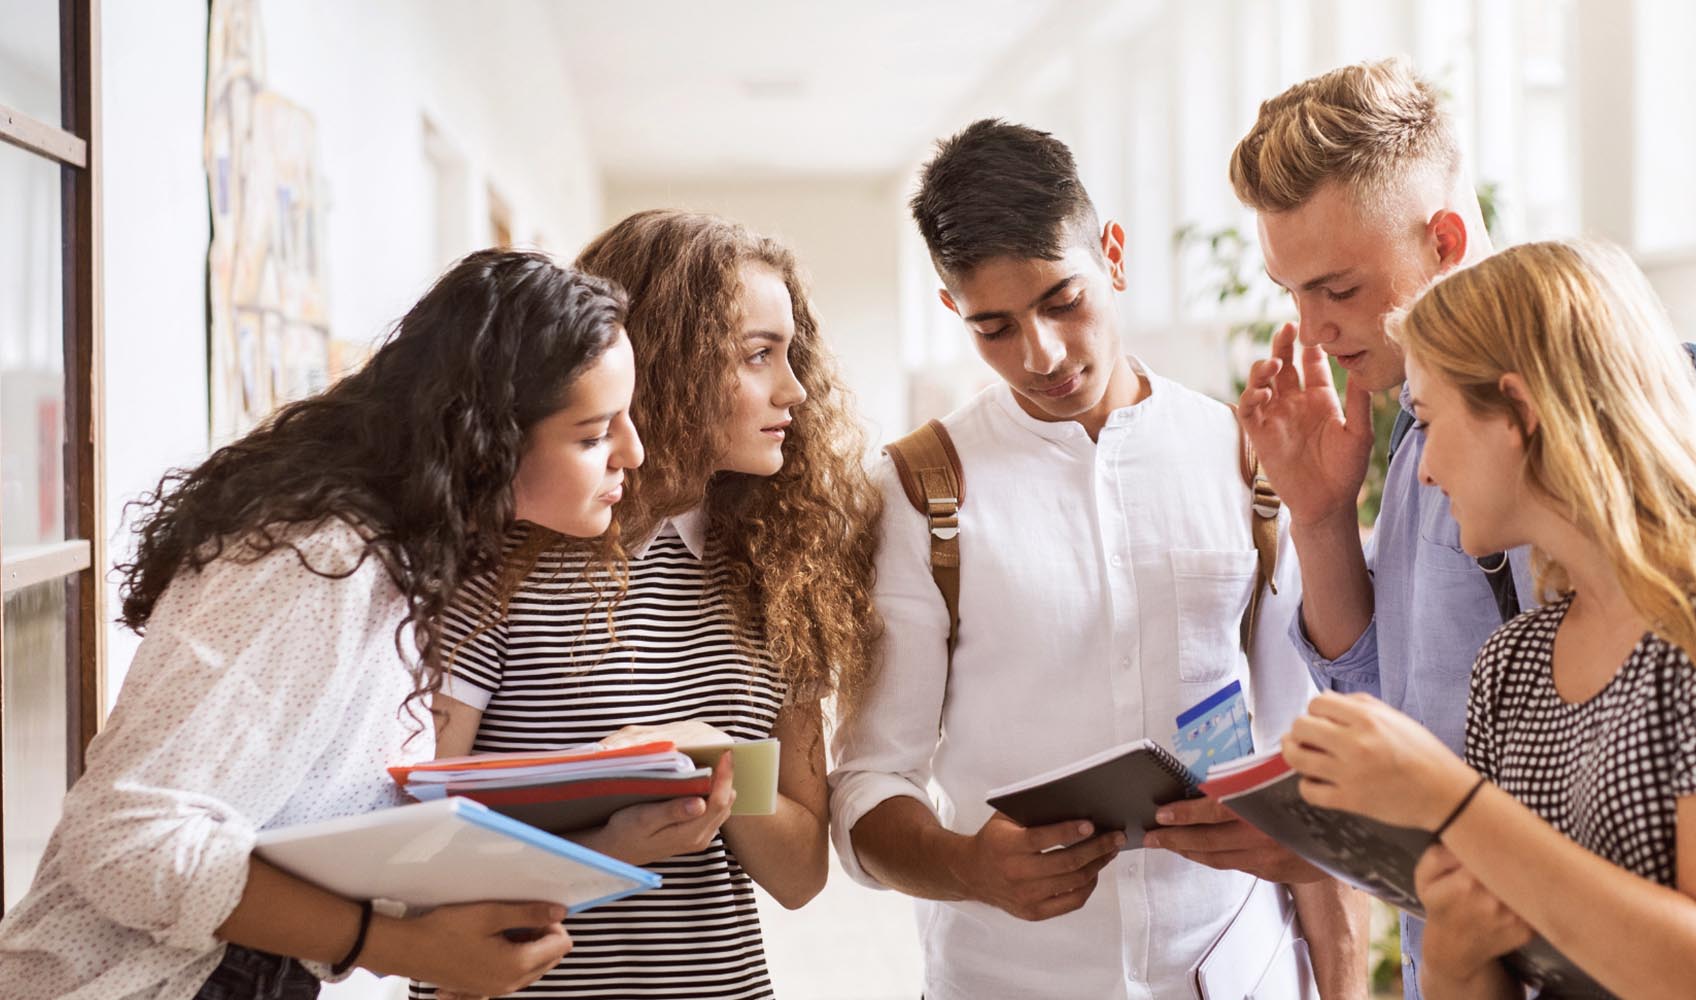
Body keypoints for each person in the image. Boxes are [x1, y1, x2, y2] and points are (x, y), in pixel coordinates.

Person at [1269, 239, 1696, 998]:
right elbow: (1476, 971)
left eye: (1431, 419)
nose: (1425, 468)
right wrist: (1450, 950)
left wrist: (1447, 802)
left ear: (1519, 411)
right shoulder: (1512, 665)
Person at [0, 249, 644, 999]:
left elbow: (332, 815)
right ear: (487, 440)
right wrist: (402, 948)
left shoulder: (404, 559)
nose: (633, 451)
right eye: (594, 433)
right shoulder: (322, 560)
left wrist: (602, 802)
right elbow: (123, 839)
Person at [829, 119, 1367, 999]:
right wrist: (967, 867)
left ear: (1112, 256)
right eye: (993, 327)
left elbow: (1305, 741)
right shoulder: (922, 488)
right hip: (1009, 979)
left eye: (1061, 301)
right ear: (951, 313)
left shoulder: (1243, 453)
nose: (1039, 354)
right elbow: (869, 783)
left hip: (1238, 967)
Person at [418, 209, 881, 1000]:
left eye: (791, 353)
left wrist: (707, 756)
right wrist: (610, 841)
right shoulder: (495, 564)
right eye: (758, 355)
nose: (795, 388)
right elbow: (415, 848)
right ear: (666, 361)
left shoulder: (779, 570)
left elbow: (801, 875)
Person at [1227, 58, 1526, 994]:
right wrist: (1320, 520)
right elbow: (1394, 692)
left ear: (1443, 240)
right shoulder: (1414, 411)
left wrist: (1331, 846)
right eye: (1291, 293)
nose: (1312, 330)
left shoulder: (1547, 425)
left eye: (1338, 289)